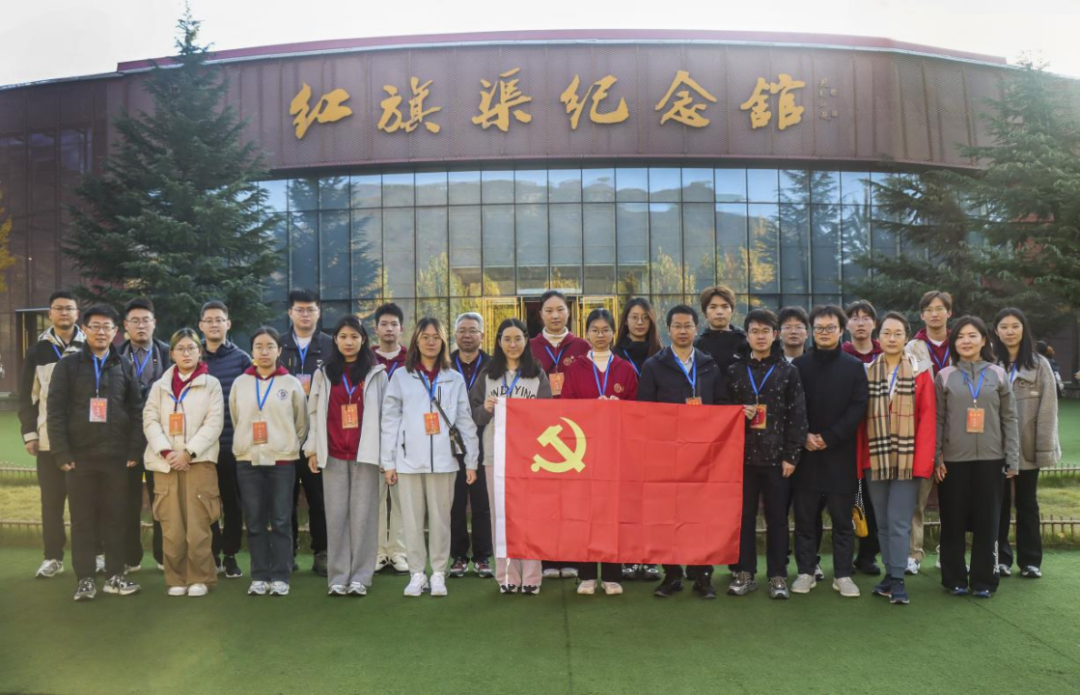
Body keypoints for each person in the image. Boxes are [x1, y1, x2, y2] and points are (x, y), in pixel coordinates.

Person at [47, 304, 145, 601]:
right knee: (82, 520)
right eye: (95, 326)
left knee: (116, 518)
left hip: (117, 458)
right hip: (80, 458)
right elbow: (55, 411)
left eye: (107, 327)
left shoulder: (124, 366)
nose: (101, 332)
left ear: (116, 332)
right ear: (85, 329)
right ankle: (85, 578)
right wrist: (62, 453)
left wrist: (134, 449)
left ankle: (115, 575)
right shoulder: (68, 365)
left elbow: (136, 410)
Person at [380, 318, 480, 598]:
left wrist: (471, 461)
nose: (431, 342)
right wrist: (388, 462)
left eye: (436, 337)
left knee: (440, 520)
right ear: (416, 341)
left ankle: (437, 572)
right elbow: (389, 421)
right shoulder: (401, 376)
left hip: (444, 462)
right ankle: (416, 573)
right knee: (411, 522)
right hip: (408, 461)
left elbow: (465, 421)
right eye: (425, 336)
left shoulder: (454, 378)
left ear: (444, 342)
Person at [638, 304, 725, 600]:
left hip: (703, 455)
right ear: (668, 330)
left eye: (688, 325)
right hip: (667, 455)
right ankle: (672, 575)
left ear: (696, 329)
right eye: (677, 326)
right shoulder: (654, 366)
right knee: (668, 516)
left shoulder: (709, 365)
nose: (683, 331)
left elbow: (721, 406)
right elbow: (645, 411)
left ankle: (703, 576)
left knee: (702, 516)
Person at [725, 309, 807, 600]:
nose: (760, 337)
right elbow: (720, 411)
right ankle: (744, 573)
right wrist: (737, 412)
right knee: (744, 518)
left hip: (777, 459)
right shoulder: (734, 371)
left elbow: (798, 416)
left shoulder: (788, 371)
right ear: (746, 336)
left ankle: (777, 575)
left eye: (765, 331)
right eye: (754, 331)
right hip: (742, 459)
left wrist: (791, 456)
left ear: (775, 335)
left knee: (778, 519)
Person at [303, 316, 388, 596]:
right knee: (337, 517)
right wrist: (312, 449)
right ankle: (338, 577)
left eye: (354, 336)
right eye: (342, 337)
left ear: (363, 340)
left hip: (366, 455)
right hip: (334, 454)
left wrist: (386, 456)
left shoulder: (377, 373)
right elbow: (313, 413)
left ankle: (361, 577)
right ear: (335, 340)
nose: (348, 342)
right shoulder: (324, 373)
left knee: (364, 518)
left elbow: (386, 417)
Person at [935, 316, 1019, 598]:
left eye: (972, 335)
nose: (966, 341)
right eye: (960, 337)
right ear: (954, 343)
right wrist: (937, 457)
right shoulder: (945, 376)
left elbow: (1010, 418)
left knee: (988, 522)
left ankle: (984, 580)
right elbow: (938, 419)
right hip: (953, 461)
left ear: (984, 340)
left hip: (992, 460)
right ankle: (954, 579)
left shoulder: (998, 374)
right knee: (952, 521)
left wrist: (1012, 458)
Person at [857, 312, 936, 606]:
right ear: (878, 337)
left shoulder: (920, 371)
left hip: (907, 459)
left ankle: (898, 579)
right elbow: (860, 420)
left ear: (907, 337)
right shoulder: (866, 371)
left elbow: (928, 419)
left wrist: (923, 463)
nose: (892, 338)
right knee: (882, 522)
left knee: (899, 520)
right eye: (887, 333)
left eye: (898, 333)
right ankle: (890, 575)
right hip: (874, 457)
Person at [791, 305, 868, 598]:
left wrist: (831, 437)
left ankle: (843, 575)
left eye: (830, 327)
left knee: (842, 521)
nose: (824, 333)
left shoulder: (853, 366)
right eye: (820, 328)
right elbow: (792, 406)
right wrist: (805, 435)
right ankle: (806, 572)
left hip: (840, 455)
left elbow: (858, 406)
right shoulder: (799, 366)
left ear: (841, 330)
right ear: (812, 331)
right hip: (806, 454)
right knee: (805, 520)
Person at [470, 318, 552, 595]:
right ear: (499, 342)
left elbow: (548, 415)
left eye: (518, 338)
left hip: (530, 458)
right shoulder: (487, 375)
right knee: (500, 517)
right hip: (495, 456)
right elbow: (473, 414)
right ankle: (507, 575)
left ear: (526, 340)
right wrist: (486, 409)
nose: (513, 344)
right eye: (507, 339)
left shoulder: (537, 374)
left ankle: (531, 576)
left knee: (530, 517)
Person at [561, 308, 639, 596]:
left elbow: (637, 410)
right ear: (587, 333)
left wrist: (618, 408)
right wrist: (592, 410)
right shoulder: (575, 368)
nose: (600, 335)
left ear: (613, 333)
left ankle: (611, 575)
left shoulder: (625, 369)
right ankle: (586, 575)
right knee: (586, 512)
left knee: (613, 513)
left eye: (606, 330)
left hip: (616, 452)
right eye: (595, 330)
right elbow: (566, 408)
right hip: (584, 452)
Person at [141, 328, 224, 597]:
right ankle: (176, 577)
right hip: (164, 463)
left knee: (199, 524)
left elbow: (214, 423)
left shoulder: (211, 384)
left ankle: (200, 578)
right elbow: (150, 420)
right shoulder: (159, 387)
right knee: (171, 525)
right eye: (180, 349)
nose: (186, 353)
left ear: (200, 352)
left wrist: (188, 452)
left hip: (198, 462)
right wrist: (167, 452)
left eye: (191, 348)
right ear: (172, 353)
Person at [230, 327, 309, 597]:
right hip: (248, 460)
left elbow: (301, 424)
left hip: (282, 461)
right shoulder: (240, 383)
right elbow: (236, 417)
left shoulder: (291, 384)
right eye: (259, 346)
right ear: (251, 350)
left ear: (279, 350)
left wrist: (286, 444)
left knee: (281, 519)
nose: (264, 352)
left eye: (270, 346)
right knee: (254, 521)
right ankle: (260, 575)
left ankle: (281, 575)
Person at [19, 290, 86, 579]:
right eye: (58, 308)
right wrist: (30, 433)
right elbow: (27, 396)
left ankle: (94, 554)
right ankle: (53, 557)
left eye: (69, 308)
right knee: (52, 503)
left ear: (77, 313)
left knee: (87, 502)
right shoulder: (38, 351)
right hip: (48, 441)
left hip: (84, 442)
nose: (64, 313)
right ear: (50, 314)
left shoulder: (90, 345)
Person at [993, 309, 1060, 579]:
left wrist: (1042, 448)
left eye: (1015, 326)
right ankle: (1000, 559)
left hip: (1028, 445)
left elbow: (1048, 410)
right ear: (996, 331)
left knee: (1027, 503)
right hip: (996, 447)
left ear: (1024, 329)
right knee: (998, 504)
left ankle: (1031, 561)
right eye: (1004, 326)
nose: (1009, 331)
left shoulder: (1039, 364)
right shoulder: (991, 363)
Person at [529, 290, 589, 579]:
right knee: (543, 498)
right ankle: (547, 558)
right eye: (549, 310)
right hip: (539, 432)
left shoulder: (583, 345)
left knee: (573, 498)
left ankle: (571, 556)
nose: (555, 316)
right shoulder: (530, 346)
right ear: (540, 314)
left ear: (569, 312)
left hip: (575, 432)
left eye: (560, 310)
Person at [280, 289, 334, 577]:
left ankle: (322, 551)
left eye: (310, 309)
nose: (305, 314)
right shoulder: (278, 345)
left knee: (319, 499)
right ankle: (287, 552)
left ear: (318, 312)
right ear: (290, 313)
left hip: (318, 436)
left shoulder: (330, 346)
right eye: (299, 309)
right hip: (284, 436)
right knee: (284, 498)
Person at [199, 300, 251, 579]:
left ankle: (230, 555)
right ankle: (211, 554)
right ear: (201, 325)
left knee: (232, 504)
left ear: (228, 324)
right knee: (205, 505)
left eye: (219, 319)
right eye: (208, 320)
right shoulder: (193, 356)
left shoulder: (241, 359)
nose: (214, 324)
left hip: (231, 445)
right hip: (200, 448)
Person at [119, 297, 171, 574]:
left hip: (160, 439)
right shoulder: (114, 355)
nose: (141, 325)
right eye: (135, 321)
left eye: (145, 320)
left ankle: (163, 554)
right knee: (127, 500)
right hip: (126, 439)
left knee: (160, 498)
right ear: (125, 325)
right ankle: (131, 555)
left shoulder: (168, 353)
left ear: (154, 323)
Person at [613, 297, 663, 582]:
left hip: (657, 437)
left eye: (645, 317)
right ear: (625, 321)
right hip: (624, 438)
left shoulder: (663, 354)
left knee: (654, 500)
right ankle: (629, 557)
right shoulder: (615, 355)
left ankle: (652, 558)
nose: (640, 322)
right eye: (634, 317)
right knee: (628, 501)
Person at [903, 290, 953, 576]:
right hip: (922, 430)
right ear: (922, 315)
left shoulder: (960, 343)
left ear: (949, 313)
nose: (935, 314)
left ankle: (948, 553)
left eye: (940, 308)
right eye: (929, 309)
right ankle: (914, 553)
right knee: (916, 500)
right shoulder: (912, 347)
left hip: (956, 430)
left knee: (955, 500)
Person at [448, 312, 493, 579]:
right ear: (455, 335)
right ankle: (458, 556)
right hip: (450, 439)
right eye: (462, 330)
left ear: (482, 336)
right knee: (454, 502)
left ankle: (483, 556)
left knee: (481, 501)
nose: (467, 335)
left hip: (484, 435)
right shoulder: (444, 364)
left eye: (473, 330)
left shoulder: (494, 366)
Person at [840, 300, 883, 576]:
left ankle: (868, 555)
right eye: (854, 318)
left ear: (874, 324)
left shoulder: (886, 354)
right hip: (847, 437)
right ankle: (844, 556)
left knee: (873, 499)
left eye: (866, 317)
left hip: (878, 436)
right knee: (846, 498)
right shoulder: (840, 354)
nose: (860, 323)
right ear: (846, 325)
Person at [372, 302, 408, 575]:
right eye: (383, 324)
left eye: (393, 324)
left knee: (401, 498)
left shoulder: (411, 360)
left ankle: (399, 551)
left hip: (404, 439)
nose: (389, 329)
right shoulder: (366, 360)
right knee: (375, 498)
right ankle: (377, 552)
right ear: (375, 329)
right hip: (372, 438)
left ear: (401, 329)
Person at [695, 284, 749, 375]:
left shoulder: (745, 342)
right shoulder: (697, 346)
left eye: (725, 306)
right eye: (713, 307)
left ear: (732, 310)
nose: (719, 312)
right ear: (705, 312)